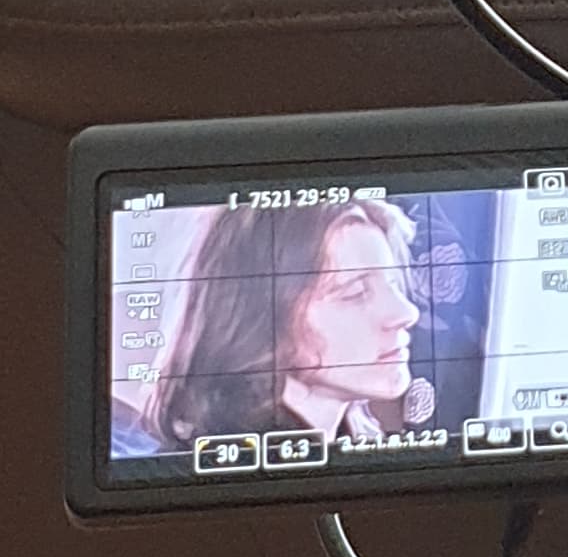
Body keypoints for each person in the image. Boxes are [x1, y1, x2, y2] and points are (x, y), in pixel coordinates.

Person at [116, 194, 425, 459]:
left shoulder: (353, 445)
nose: (406, 313)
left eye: (393, 284)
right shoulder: (217, 482)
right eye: (354, 292)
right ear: (259, 319)